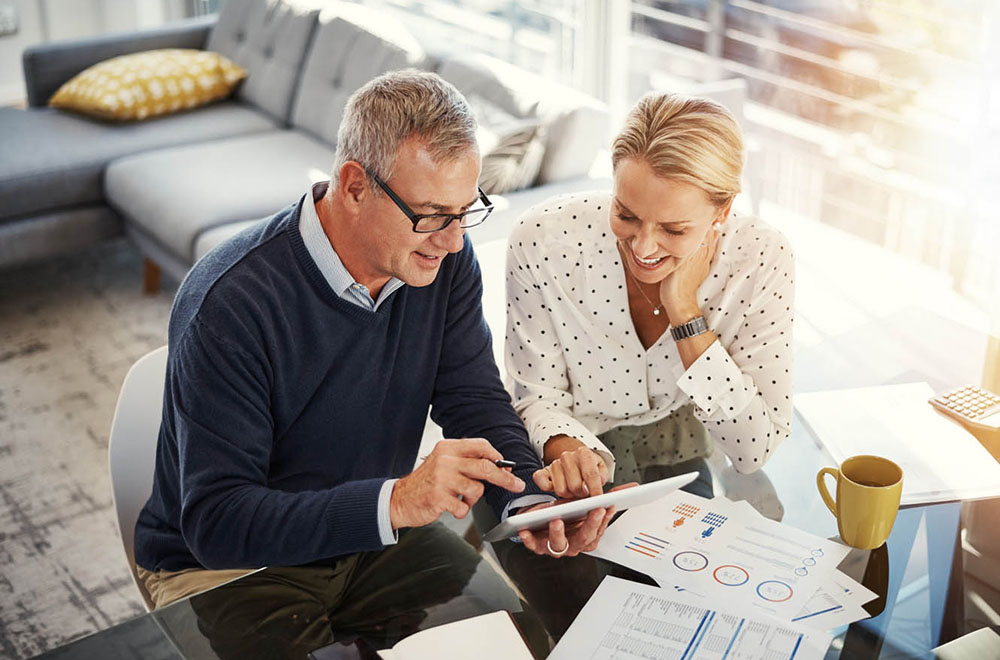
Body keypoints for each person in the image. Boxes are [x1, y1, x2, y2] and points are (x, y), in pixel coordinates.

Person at [132, 70, 615, 616]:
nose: (454, 239)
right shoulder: (231, 303)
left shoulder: (443, 262)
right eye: (432, 215)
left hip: (371, 535)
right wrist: (399, 501)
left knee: (514, 641)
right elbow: (217, 523)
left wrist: (533, 500)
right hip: (231, 566)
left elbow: (475, 402)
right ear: (355, 185)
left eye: (465, 211)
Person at [505, 92, 795, 499]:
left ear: (723, 211)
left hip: (678, 447)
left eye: (674, 230)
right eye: (626, 215)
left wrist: (685, 313)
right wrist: (571, 457)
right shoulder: (543, 241)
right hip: (561, 448)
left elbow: (753, 448)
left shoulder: (760, 259)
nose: (643, 248)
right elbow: (537, 397)